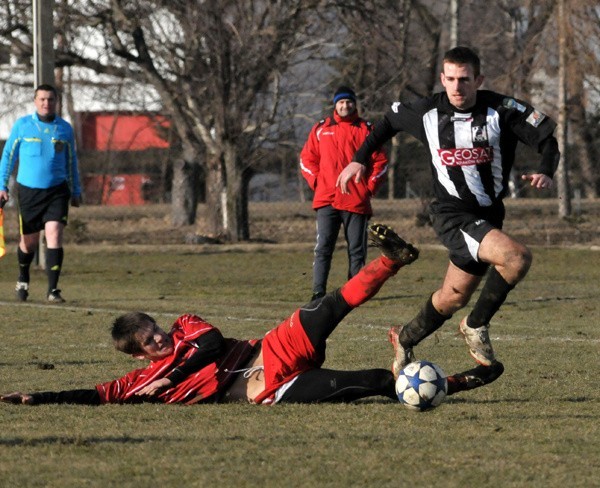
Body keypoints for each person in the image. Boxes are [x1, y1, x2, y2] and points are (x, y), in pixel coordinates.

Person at [0, 224, 503, 407]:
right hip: (270, 388)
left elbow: (213, 345)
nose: (159, 338)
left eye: (155, 329)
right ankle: (465, 380)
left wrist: (173, 368)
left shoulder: (186, 328)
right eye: (150, 342)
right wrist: (37, 396)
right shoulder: (138, 384)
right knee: (372, 381)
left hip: (272, 348)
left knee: (326, 306)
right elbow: (96, 394)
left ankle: (391, 259)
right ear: (137, 354)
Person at [336, 46, 559, 380]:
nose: (457, 87)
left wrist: (546, 170)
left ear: (478, 79)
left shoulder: (502, 109)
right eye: (451, 79)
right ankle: (476, 325)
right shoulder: (426, 112)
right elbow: (385, 124)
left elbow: (547, 139)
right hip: (451, 214)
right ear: (443, 79)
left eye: (465, 79)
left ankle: (404, 338)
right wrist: (359, 158)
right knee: (516, 258)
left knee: (452, 297)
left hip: (488, 216)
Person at [300, 86, 388, 301]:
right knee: (323, 248)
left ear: (354, 104)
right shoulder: (321, 129)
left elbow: (380, 162)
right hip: (326, 199)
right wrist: (318, 182)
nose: (345, 105)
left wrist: (368, 188)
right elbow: (306, 159)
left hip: (355, 200)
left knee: (357, 250)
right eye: (341, 102)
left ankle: (354, 293)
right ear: (335, 104)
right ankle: (318, 292)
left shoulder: (367, 129)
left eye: (348, 102)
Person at [0, 84, 82, 303]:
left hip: (57, 191)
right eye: (42, 99)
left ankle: (53, 290)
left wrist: (76, 190)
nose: (47, 103)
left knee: (54, 232)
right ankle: (23, 278)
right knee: (29, 242)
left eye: (51, 99)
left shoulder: (64, 128)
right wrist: (2, 186)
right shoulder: (23, 126)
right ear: (35, 101)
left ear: (56, 102)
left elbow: (72, 161)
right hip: (28, 192)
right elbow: (8, 156)